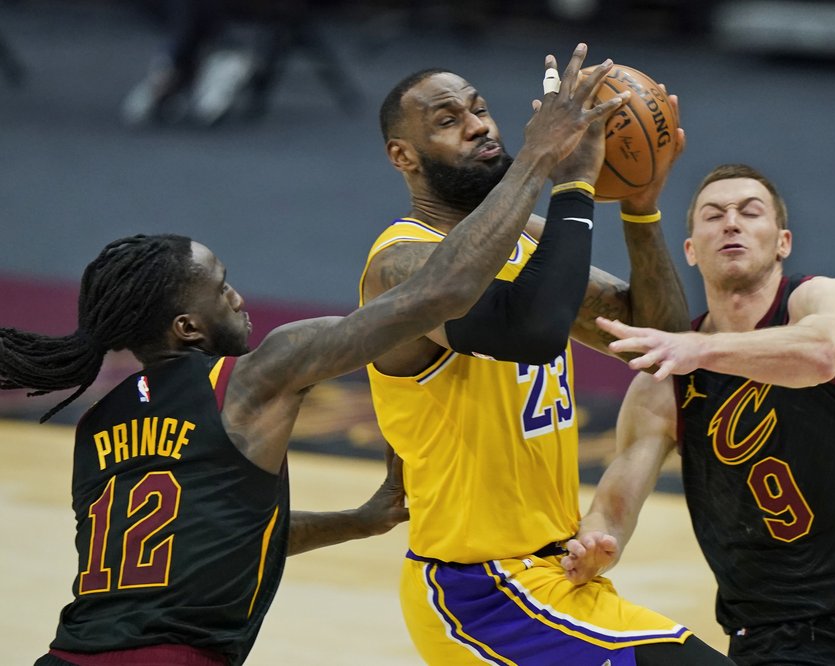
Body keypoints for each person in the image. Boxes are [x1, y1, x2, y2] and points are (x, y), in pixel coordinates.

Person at [0, 43, 626, 666]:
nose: (238, 296)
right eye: (221, 288)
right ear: (188, 327)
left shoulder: (99, 424)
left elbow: (215, 540)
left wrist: (359, 520)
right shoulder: (257, 375)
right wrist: (542, 159)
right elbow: (436, 296)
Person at [360, 46, 733, 664]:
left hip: (560, 574)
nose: (478, 126)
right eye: (448, 120)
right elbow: (529, 331)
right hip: (479, 591)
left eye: (480, 109)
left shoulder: (528, 237)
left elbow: (661, 345)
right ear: (403, 156)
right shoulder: (402, 264)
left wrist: (640, 205)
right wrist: (565, 179)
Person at [566, 163, 835, 664]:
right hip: (776, 639)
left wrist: (700, 349)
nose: (731, 223)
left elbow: (822, 355)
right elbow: (614, 507)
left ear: (783, 242)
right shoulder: (665, 383)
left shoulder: (821, 299)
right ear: (691, 250)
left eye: (750, 211)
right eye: (713, 215)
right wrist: (596, 544)